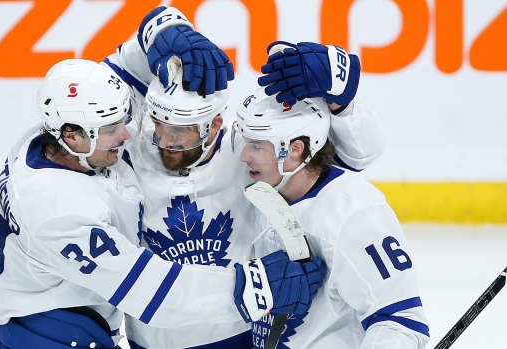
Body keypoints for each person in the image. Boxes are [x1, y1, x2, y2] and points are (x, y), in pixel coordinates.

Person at [0, 59, 327, 349]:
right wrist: (256, 286)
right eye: (110, 129)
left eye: (124, 119)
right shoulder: (60, 210)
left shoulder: (41, 143)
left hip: (56, 320)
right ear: (71, 136)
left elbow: (123, 66)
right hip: (48, 334)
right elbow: (152, 291)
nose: (127, 135)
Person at [99, 6, 386, 349]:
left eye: (179, 130)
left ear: (215, 125)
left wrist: (342, 104)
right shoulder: (126, 154)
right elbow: (102, 84)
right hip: (148, 341)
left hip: (239, 337)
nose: (165, 141)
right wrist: (161, 29)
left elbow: (358, 155)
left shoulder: (246, 156)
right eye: (158, 124)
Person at [232, 86, 430, 349]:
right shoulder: (268, 186)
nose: (244, 156)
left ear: (294, 149)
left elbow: (399, 320)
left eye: (256, 146)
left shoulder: (353, 212)